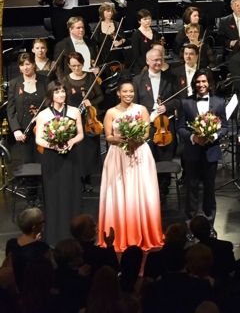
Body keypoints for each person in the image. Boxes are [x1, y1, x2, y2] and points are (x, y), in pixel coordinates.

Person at [99, 80, 163, 251]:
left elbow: (147, 132)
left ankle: (142, 231)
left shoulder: (141, 110)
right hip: (118, 154)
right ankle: (120, 232)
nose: (128, 94)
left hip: (139, 153)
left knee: (141, 193)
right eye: (125, 92)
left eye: (131, 91)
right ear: (118, 93)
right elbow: (108, 136)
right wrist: (120, 139)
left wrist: (135, 139)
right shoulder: (110, 112)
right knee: (119, 193)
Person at [35, 80, 84, 245]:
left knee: (72, 193)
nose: (61, 94)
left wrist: (71, 142)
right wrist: (54, 145)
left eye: (63, 91)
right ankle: (54, 235)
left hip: (71, 157)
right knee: (53, 195)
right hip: (52, 158)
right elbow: (39, 139)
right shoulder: (43, 114)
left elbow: (80, 134)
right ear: (51, 95)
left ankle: (75, 234)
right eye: (57, 92)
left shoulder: (74, 111)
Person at [178, 71, 226, 223]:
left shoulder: (219, 102)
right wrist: (193, 137)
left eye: (204, 81)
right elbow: (180, 128)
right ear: (194, 84)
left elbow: (224, 127)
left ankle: (210, 223)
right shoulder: (185, 103)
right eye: (198, 82)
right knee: (191, 188)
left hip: (211, 152)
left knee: (209, 189)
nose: (201, 85)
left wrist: (213, 136)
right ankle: (190, 222)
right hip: (192, 152)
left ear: (209, 83)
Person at [133, 48, 181, 196]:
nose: (158, 62)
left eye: (160, 59)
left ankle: (163, 189)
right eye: (154, 60)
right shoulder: (137, 80)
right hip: (147, 126)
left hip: (165, 125)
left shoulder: (171, 78)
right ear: (147, 61)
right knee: (147, 158)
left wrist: (167, 106)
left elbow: (179, 100)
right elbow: (134, 104)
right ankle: (148, 190)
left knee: (165, 158)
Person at [65, 52, 104, 191]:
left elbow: (100, 96)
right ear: (69, 66)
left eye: (79, 65)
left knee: (89, 150)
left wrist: (90, 102)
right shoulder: (65, 80)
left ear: (83, 64)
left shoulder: (90, 77)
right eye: (73, 66)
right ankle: (78, 179)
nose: (76, 68)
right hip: (73, 119)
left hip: (89, 119)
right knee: (77, 150)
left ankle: (88, 179)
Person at [7, 53, 47, 166]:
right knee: (27, 163)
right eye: (22, 65)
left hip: (43, 129)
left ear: (33, 64)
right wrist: (16, 129)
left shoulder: (45, 80)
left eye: (28, 64)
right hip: (23, 131)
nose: (25, 68)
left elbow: (50, 104)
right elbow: (11, 109)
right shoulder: (14, 83)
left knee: (43, 162)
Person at [128, 8, 161, 74]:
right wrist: (147, 65)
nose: (147, 21)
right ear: (139, 21)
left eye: (149, 18)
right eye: (145, 19)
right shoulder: (136, 34)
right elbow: (136, 54)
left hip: (155, 64)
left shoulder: (155, 33)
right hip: (142, 67)